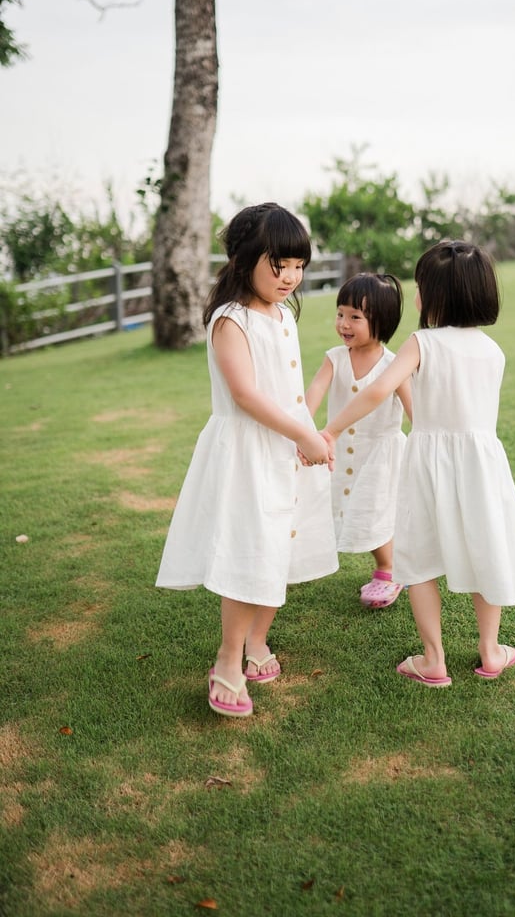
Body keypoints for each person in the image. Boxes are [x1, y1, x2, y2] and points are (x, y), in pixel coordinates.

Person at [321, 240, 515, 687]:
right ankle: (492, 652)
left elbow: (379, 390)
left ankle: (433, 659)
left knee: (418, 556)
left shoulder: (422, 342)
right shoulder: (493, 350)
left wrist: (331, 430)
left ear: (438, 295)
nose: (416, 295)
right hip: (481, 463)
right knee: (483, 547)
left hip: (427, 461)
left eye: (421, 286)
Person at [156, 203, 339, 718]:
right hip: (248, 451)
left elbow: (286, 390)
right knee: (249, 552)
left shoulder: (282, 315)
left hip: (284, 446)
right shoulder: (230, 320)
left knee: (279, 547)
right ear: (243, 260)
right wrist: (304, 434)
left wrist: (306, 434)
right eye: (278, 264)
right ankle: (228, 660)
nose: (290, 277)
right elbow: (246, 396)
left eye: (298, 265)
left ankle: (258, 641)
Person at [305, 273, 413, 609]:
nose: (344, 324)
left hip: (379, 454)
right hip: (338, 453)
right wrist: (303, 429)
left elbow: (414, 411)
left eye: (355, 317)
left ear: (381, 321)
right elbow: (314, 393)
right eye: (340, 314)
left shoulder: (394, 365)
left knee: (372, 512)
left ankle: (388, 569)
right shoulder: (334, 357)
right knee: (342, 509)